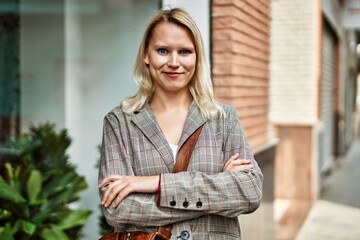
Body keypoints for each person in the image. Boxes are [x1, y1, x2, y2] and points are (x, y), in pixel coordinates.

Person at [98, 7, 263, 240]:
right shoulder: (120, 122)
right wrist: (218, 190)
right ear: (146, 55)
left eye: (185, 52)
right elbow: (118, 209)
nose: (174, 62)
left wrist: (155, 183)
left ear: (197, 57)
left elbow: (250, 191)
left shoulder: (223, 119)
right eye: (163, 51)